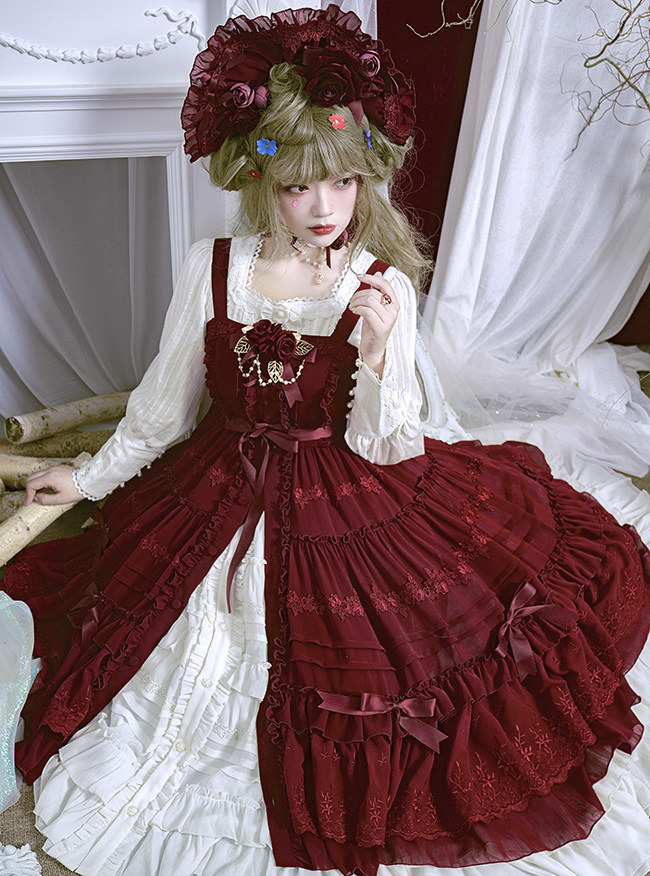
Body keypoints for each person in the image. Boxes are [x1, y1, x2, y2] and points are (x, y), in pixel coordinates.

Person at [2, 6, 650, 876]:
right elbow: (163, 411)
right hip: (215, 480)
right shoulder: (212, 266)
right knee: (156, 620)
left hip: (342, 489)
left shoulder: (379, 285)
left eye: (343, 183)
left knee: (347, 652)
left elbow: (391, 448)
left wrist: (380, 357)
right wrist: (86, 480)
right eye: (300, 186)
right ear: (260, 177)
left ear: (365, 179)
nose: (323, 208)